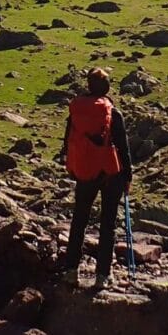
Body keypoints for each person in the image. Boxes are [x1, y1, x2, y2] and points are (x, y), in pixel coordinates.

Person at [60, 67, 132, 290]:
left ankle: (72, 271)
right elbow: (123, 147)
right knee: (107, 223)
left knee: (79, 219)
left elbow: (68, 142)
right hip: (110, 172)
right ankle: (102, 275)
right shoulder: (112, 112)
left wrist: (74, 167)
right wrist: (127, 175)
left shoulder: (77, 111)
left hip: (85, 171)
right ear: (107, 87)